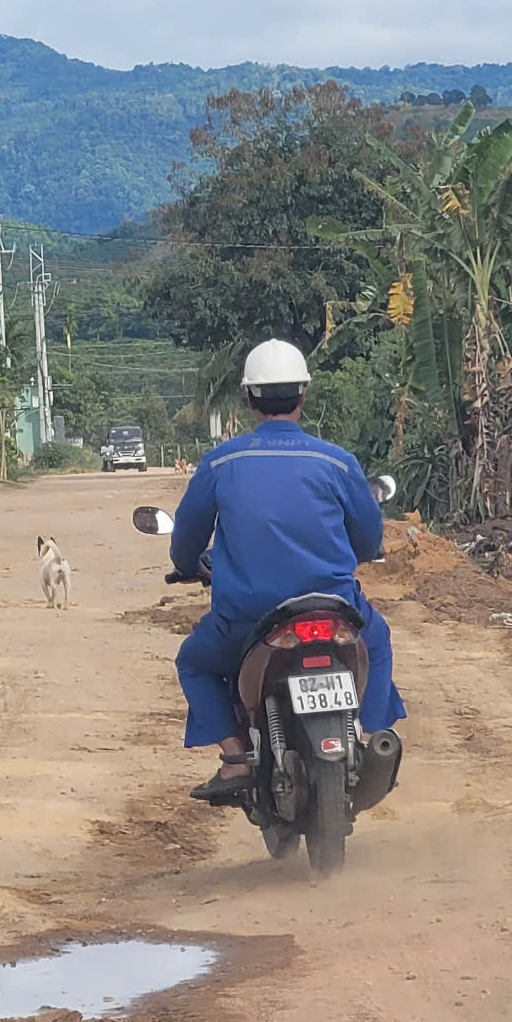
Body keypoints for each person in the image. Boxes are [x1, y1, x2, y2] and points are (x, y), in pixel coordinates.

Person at [169, 339, 405, 803]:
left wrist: (188, 566)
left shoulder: (221, 462)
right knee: (375, 643)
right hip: (335, 609)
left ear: (249, 399)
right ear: (303, 395)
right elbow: (369, 540)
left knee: (194, 662)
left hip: (245, 618)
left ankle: (235, 757)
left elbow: (187, 543)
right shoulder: (338, 462)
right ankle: (370, 736)